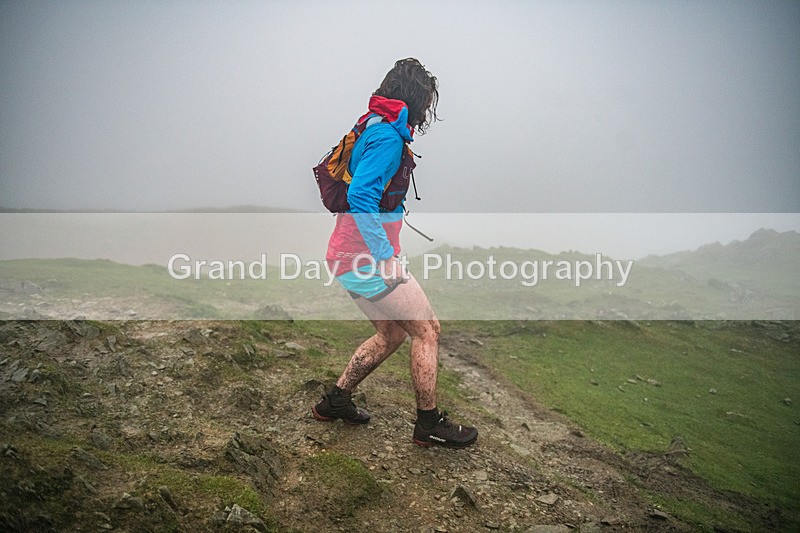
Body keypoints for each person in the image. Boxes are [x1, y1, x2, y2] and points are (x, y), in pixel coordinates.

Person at [311, 58, 477, 449]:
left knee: (390, 334)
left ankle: (335, 401)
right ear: (416, 99)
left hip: (345, 254)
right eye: (426, 101)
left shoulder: (371, 123)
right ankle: (429, 424)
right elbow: (361, 195)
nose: (426, 110)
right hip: (365, 258)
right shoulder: (386, 136)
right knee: (427, 330)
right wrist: (386, 258)